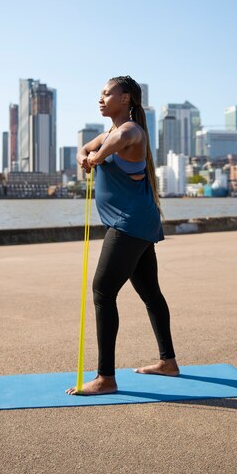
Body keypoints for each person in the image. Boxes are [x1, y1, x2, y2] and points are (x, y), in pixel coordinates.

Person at [66, 75, 179, 396]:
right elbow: (85, 149)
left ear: (126, 98)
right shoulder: (109, 132)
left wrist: (96, 157)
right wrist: (84, 157)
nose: (100, 99)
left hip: (129, 224)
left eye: (106, 94)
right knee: (150, 292)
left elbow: (110, 146)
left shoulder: (132, 131)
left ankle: (105, 378)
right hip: (136, 223)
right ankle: (168, 363)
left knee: (102, 291)